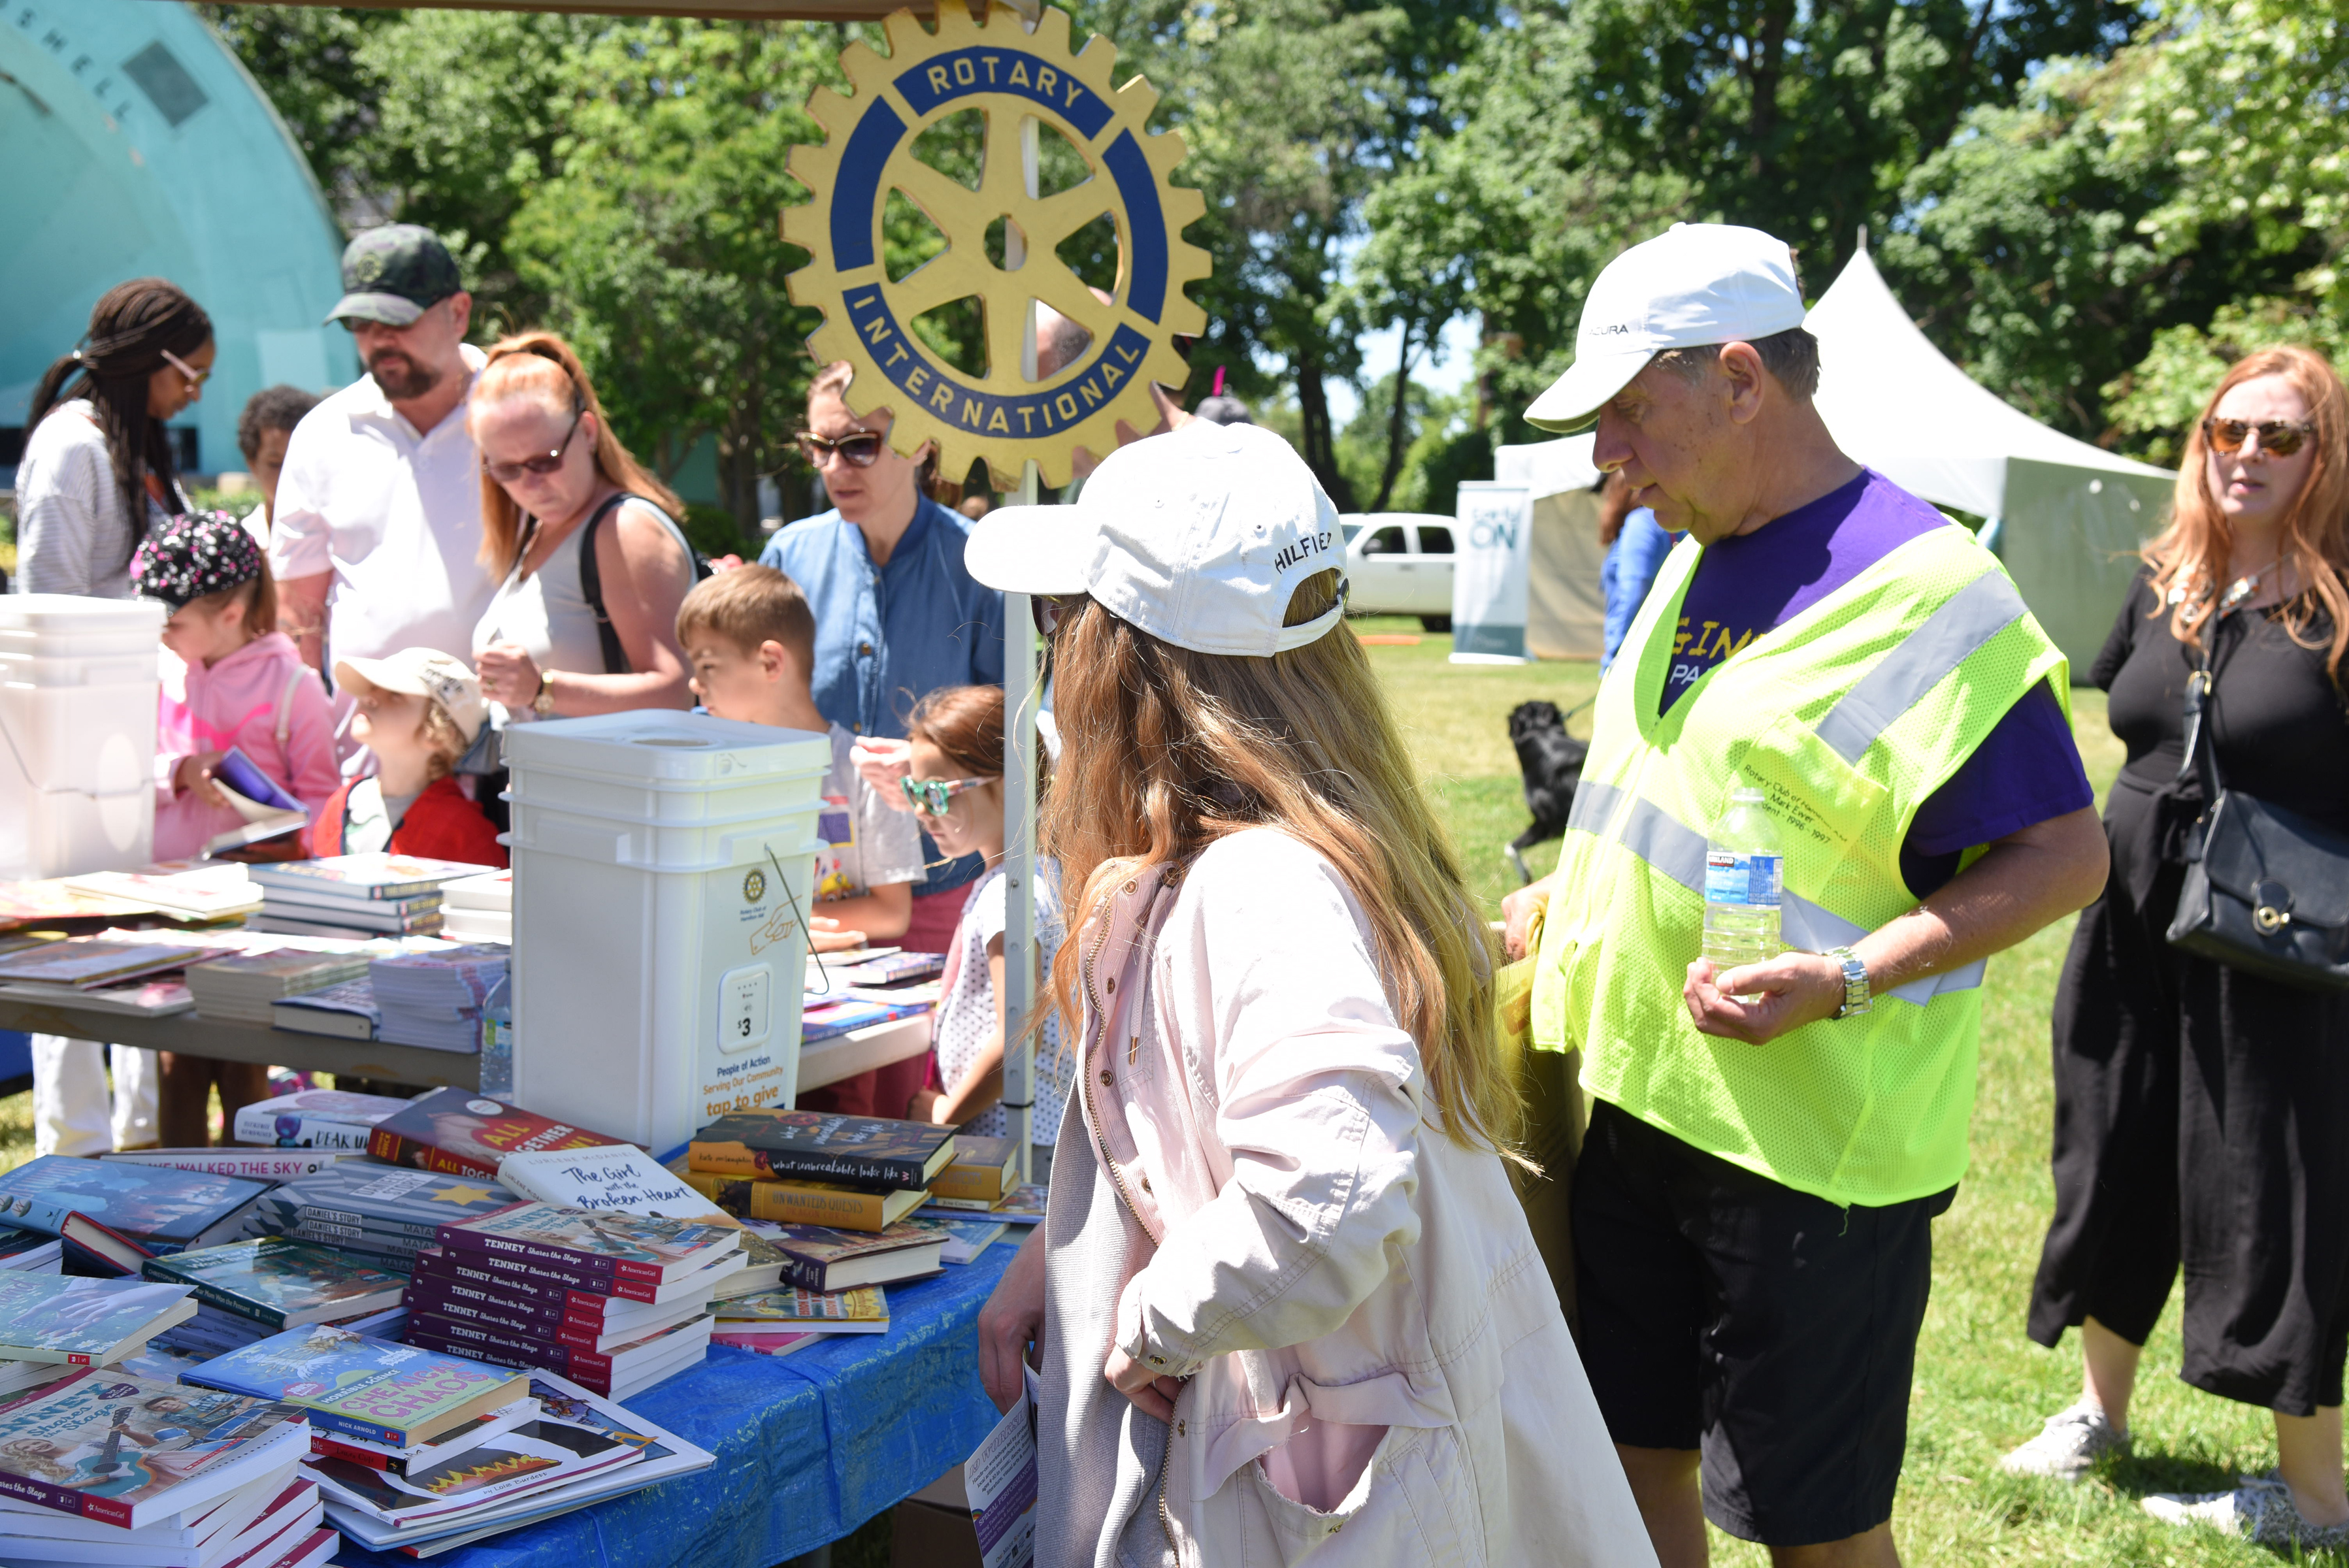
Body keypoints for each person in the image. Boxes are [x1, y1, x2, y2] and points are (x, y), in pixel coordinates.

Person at [1500, 223, 2110, 1568]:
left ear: (1738, 379)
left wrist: (1849, 976)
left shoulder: (1935, 592)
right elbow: (1675, 795)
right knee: (1629, 1470)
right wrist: (1562, 907)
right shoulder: (1690, 550)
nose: (1607, 451)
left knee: (1815, 1532)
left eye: (1627, 410)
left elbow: (2066, 855)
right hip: (1641, 1101)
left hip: (1812, 1162)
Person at [968, 419, 1653, 1565]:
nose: (1051, 655)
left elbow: (1327, 1198)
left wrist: (1150, 1321)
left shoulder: (1258, 883)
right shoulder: (1292, 851)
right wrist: (1067, 1258)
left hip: (1339, 1480)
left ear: (1122, 659)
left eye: (1059, 621)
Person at [2001, 346, 2349, 1550]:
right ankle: (2098, 1413)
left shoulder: (2339, 605)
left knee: (2273, 1185)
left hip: (2276, 940)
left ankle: (2313, 1495)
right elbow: (2128, 721)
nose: (2247, 453)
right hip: (2131, 919)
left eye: (2280, 436)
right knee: (2114, 1148)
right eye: (2227, 431)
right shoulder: (2167, 581)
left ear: (2324, 458)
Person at [761, 361, 1002, 1128]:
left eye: (859, 445)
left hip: (939, 887)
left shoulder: (981, 563)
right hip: (817, 892)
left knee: (902, 1124)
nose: (836, 467)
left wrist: (931, 764)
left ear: (922, 444)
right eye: (820, 447)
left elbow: (1023, 727)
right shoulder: (789, 557)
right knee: (804, 1110)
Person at [269, 226, 501, 764]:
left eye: (398, 321)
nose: (379, 341)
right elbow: (299, 611)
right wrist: (306, 751)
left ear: (459, 313)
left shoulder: (516, 413)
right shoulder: (323, 432)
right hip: (367, 758)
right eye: (361, 325)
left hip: (502, 750)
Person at [674, 565, 924, 961]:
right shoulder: (705, 772)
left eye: (707, 666)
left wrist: (780, 927)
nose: (694, 683)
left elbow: (892, 912)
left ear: (771, 663)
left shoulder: (864, 773)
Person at [468, 333, 699, 723]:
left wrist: (543, 689)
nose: (530, 484)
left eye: (546, 460)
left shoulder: (625, 529)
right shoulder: (543, 529)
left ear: (588, 432)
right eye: (507, 469)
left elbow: (677, 692)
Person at [895, 685, 1067, 1180]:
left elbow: (1019, 1035)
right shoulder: (1044, 873)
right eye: (913, 792)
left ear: (1008, 783)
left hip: (1012, 1143)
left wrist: (946, 1115)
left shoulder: (1010, 893)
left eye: (935, 793)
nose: (922, 811)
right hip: (1033, 1136)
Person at [140, 513, 339, 865]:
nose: (161, 636)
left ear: (231, 615)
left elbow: (321, 795)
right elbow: (122, 779)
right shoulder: (156, 674)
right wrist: (181, 773)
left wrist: (301, 847)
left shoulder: (293, 688)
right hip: (160, 875)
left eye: (173, 625)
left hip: (254, 883)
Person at [15, 278, 212, 598]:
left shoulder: (135, 446)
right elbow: (50, 597)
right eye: (193, 375)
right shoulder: (69, 445)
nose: (196, 394)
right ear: (147, 357)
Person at [312, 651, 505, 866]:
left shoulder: (467, 834)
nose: (368, 698)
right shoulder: (341, 802)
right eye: (372, 688)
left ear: (437, 733)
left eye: (395, 694)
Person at [1597, 470, 1676, 671]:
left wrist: (1616, 656)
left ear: (1620, 489)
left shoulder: (1641, 524)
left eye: (1606, 487)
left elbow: (1635, 593)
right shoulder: (1665, 522)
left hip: (1632, 657)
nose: (1604, 495)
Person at [233, 386, 320, 546]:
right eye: (276, 464)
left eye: (302, 463)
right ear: (252, 464)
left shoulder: (346, 544)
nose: (289, 475)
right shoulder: (239, 545)